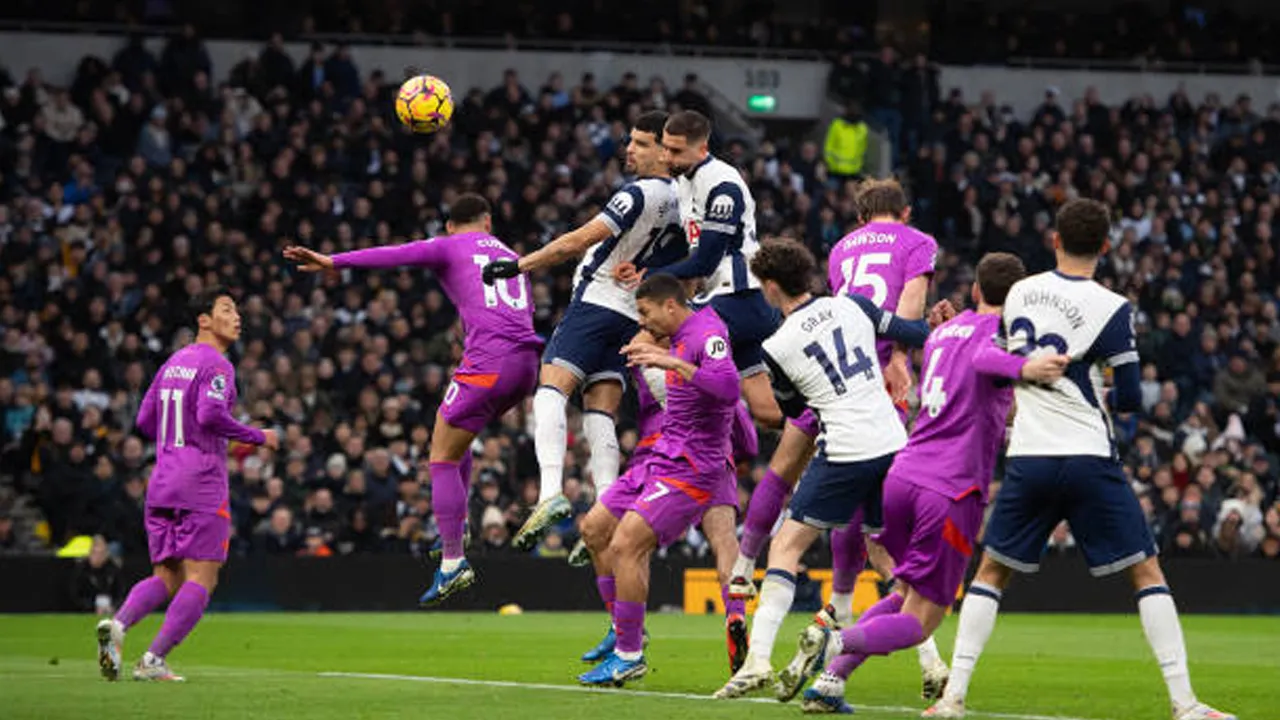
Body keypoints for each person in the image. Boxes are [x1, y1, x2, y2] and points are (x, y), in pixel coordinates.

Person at [924, 199, 1236, 720]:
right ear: (1107, 247)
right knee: (1147, 572)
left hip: (1031, 456)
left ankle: (953, 697)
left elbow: (985, 360)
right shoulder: (1112, 306)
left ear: (1054, 240)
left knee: (992, 572)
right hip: (1089, 454)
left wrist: (1026, 368)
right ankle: (1185, 704)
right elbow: (1133, 396)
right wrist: (1097, 378)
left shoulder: (1021, 291)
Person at [779, 252, 1068, 713]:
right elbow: (987, 359)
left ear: (975, 290)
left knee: (902, 594)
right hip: (949, 489)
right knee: (924, 620)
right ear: (1017, 298)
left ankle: (829, 682)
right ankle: (833, 641)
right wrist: (1026, 369)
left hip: (904, 475)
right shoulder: (997, 338)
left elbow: (976, 387)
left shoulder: (943, 334)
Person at [726, 177, 949, 699]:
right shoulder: (854, 308)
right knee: (888, 558)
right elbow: (915, 329)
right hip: (892, 437)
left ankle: (759, 655)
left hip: (843, 444)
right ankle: (932, 660)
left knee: (788, 544)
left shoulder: (776, 344)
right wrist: (932, 334)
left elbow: (791, 410)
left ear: (772, 287)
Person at [283, 193, 542, 607]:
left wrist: (333, 262)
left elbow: (393, 255)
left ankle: (453, 559)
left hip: (489, 361)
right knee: (459, 437)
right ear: (488, 222)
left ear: (450, 226)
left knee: (440, 457)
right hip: (527, 365)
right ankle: (457, 530)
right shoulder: (512, 253)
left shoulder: (449, 244)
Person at [484, 111, 686, 558]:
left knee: (551, 391)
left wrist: (518, 265)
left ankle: (550, 491)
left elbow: (576, 241)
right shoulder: (685, 200)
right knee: (600, 412)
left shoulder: (638, 194)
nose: (629, 149)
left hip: (597, 303)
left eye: (640, 143)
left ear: (664, 150)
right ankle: (606, 510)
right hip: (635, 314)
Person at [97, 287, 280, 682]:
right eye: (227, 309)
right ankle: (153, 660)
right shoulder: (217, 365)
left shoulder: (172, 363)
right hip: (200, 482)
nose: (237, 317)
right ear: (203, 319)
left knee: (167, 577)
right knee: (203, 577)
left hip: (162, 481)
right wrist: (258, 436)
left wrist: (175, 441)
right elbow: (211, 414)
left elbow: (146, 422)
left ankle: (118, 626)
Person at [577, 274, 740, 687]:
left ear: (670, 305)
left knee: (627, 544)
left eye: (646, 313)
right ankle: (624, 631)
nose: (644, 322)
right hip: (661, 456)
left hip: (694, 465)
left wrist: (674, 364)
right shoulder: (673, 337)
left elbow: (728, 387)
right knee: (595, 528)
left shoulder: (707, 333)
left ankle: (629, 654)